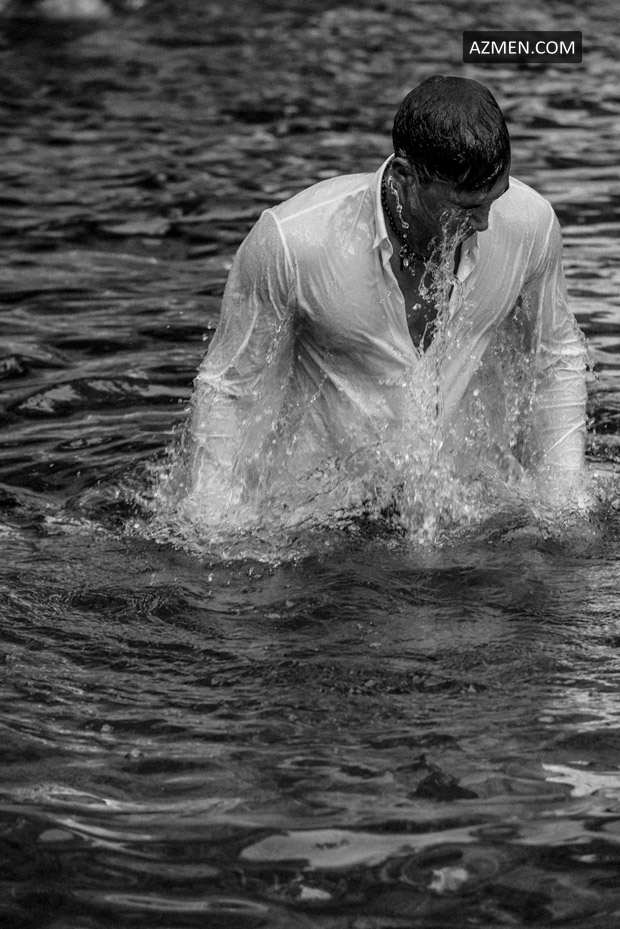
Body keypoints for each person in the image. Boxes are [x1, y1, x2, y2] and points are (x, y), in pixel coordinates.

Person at [184, 75, 587, 530]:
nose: (484, 223)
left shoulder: (530, 224)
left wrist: (562, 505)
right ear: (404, 176)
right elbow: (231, 389)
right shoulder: (295, 242)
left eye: (495, 198)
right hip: (317, 525)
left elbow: (555, 359)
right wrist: (214, 526)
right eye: (465, 206)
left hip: (464, 517)